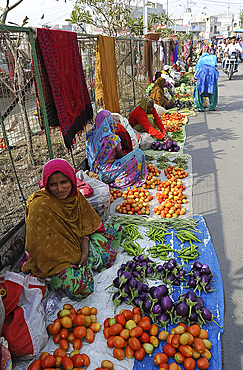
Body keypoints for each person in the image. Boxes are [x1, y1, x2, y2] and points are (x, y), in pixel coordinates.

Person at [22, 158, 121, 300]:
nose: (60, 189)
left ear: (72, 181)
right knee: (81, 287)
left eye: (64, 182)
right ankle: (82, 267)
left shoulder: (75, 197)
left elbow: (85, 225)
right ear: (47, 185)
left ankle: (87, 262)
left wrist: (85, 248)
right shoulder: (40, 206)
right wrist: (73, 258)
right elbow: (40, 250)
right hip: (57, 261)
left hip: (78, 243)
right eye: (53, 184)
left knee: (116, 229)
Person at [86, 110, 147, 188]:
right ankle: (121, 180)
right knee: (138, 153)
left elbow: (89, 156)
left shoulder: (90, 136)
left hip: (97, 173)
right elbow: (120, 156)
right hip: (109, 175)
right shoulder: (113, 139)